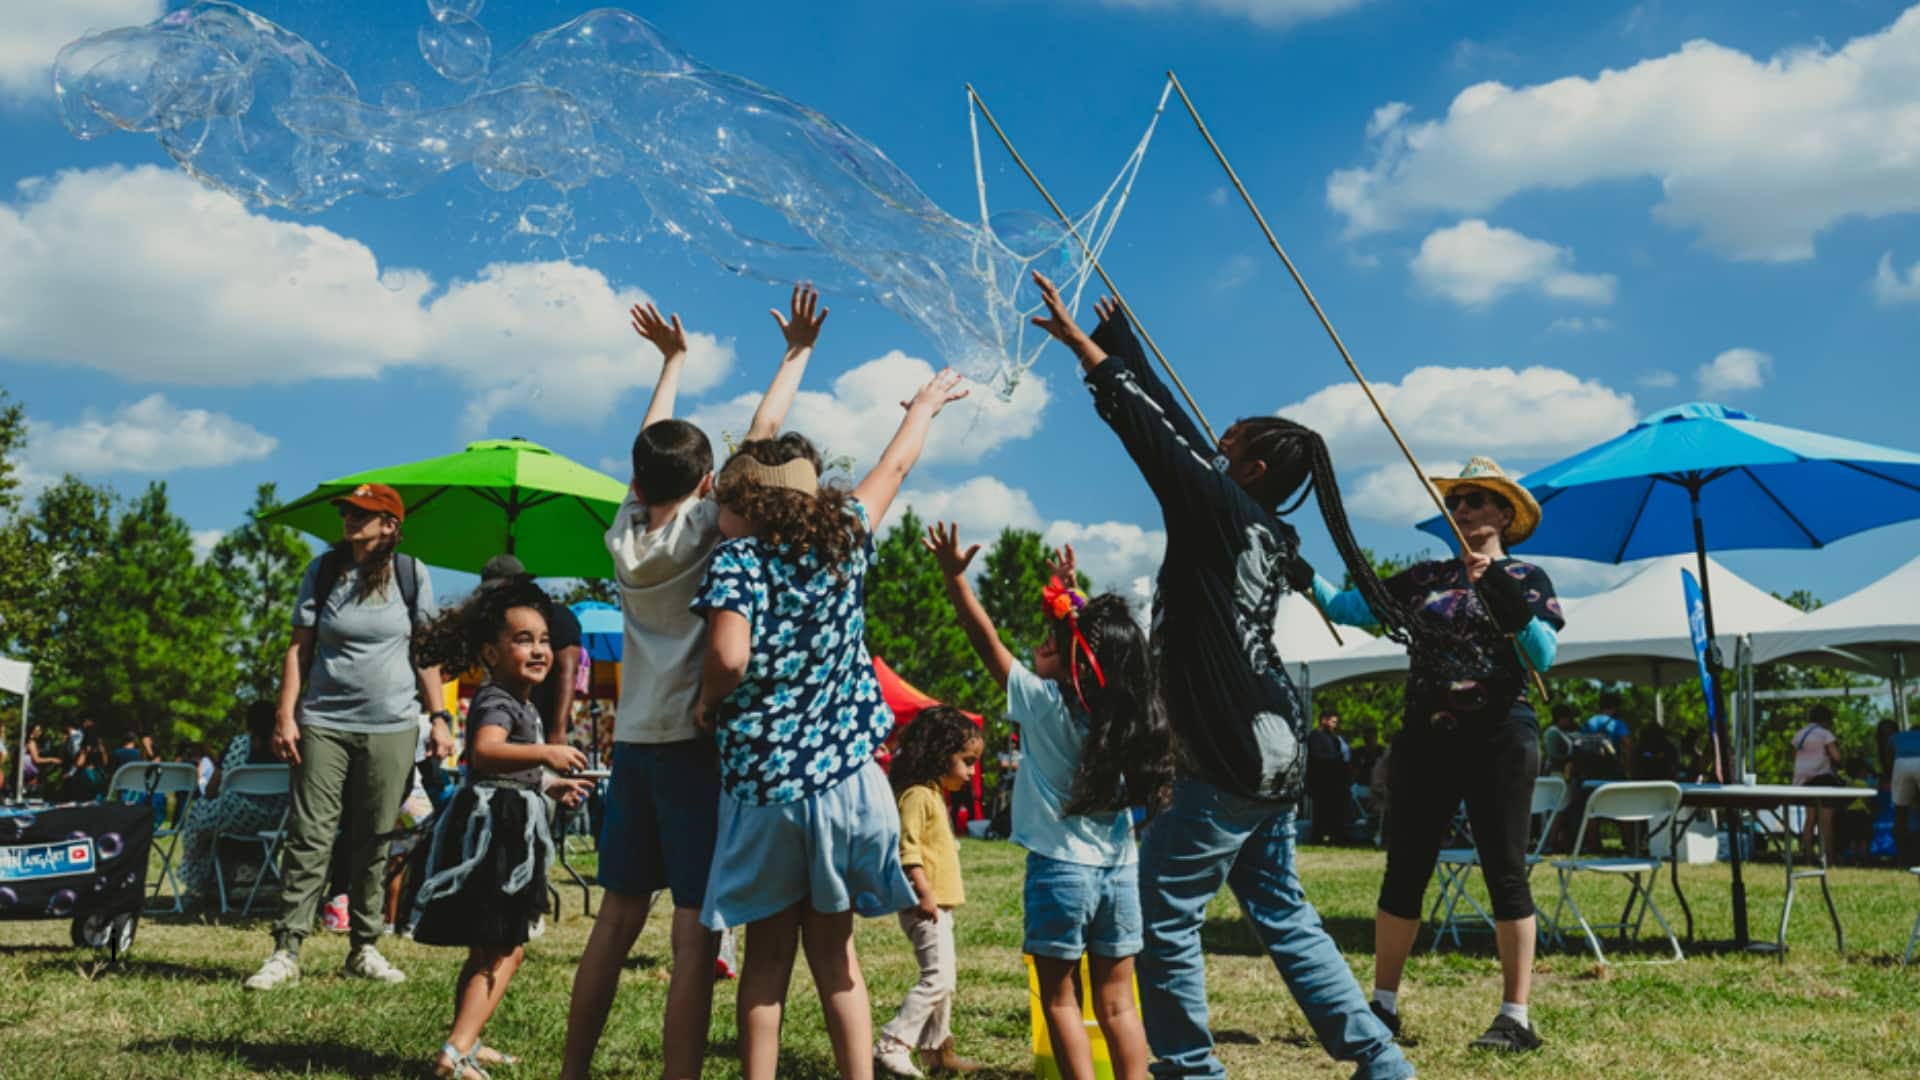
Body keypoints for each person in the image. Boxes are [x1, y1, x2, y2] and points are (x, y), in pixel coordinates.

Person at [1028, 275, 1413, 1080]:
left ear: (1257, 464)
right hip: (1275, 740)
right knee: (1281, 907)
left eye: (1230, 445)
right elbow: (1182, 434)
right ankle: (1379, 1059)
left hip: (1226, 745)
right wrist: (1126, 345)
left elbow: (1152, 435)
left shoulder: (1217, 507)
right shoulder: (1264, 525)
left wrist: (1087, 354)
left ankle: (1190, 1070)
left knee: (1163, 915)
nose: (1216, 448)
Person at [560, 286, 827, 1080]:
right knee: (692, 936)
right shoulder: (706, 532)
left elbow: (651, 446)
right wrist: (798, 352)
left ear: (638, 487)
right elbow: (763, 437)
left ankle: (572, 1070)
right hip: (691, 751)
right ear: (711, 485)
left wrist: (671, 363)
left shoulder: (624, 537)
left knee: (613, 921)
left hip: (635, 747)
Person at [691, 367, 966, 1080]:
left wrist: (708, 700)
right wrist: (925, 406)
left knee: (766, 964)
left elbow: (727, 653)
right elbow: (896, 464)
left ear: (747, 506)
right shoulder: (844, 536)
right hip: (851, 786)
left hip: (769, 788)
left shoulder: (738, 560)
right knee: (838, 959)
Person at [1312, 457, 1563, 1053]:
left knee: (1505, 871)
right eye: (1457, 500)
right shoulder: (1425, 578)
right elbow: (1349, 608)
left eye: (1476, 500)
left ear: (1505, 514)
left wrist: (1496, 585)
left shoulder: (1528, 577)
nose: (1463, 509)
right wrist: (1298, 571)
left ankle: (1516, 1016)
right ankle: (1383, 1004)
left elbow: (1543, 655)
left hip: (1501, 736)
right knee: (1404, 868)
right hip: (1426, 736)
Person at [926, 524, 1165, 1080]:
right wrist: (1069, 592)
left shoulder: (1041, 704)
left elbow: (981, 636)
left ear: (1075, 661)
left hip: (1061, 871)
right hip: (1119, 870)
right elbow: (1096, 647)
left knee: (1061, 1000)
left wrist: (956, 579)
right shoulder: (1127, 718)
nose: (1042, 643)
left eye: (1053, 640)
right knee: (1119, 1004)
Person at [245, 482, 453, 992]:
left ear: (390, 526)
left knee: (376, 836)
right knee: (310, 834)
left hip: (393, 725)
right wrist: (285, 715)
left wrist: (440, 717)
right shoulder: (323, 572)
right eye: (347, 512)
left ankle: (364, 947)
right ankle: (286, 949)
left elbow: (424, 651)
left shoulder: (409, 573)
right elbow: (298, 649)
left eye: (364, 513)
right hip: (323, 723)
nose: (350, 519)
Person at [405, 578, 591, 1079]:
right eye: (523, 639)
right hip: (498, 833)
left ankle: (470, 1038)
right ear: (491, 651)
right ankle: (456, 1050)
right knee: (506, 950)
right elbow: (485, 753)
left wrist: (546, 784)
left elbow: (504, 765)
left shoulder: (519, 700)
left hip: (507, 823)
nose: (538, 649)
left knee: (490, 947)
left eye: (544, 640)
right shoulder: (497, 700)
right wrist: (546, 753)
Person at [874, 705, 986, 1078]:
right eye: (966, 761)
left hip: (939, 905)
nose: (972, 772)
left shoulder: (934, 794)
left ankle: (937, 1051)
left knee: (946, 982)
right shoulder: (918, 796)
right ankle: (893, 1043)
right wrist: (924, 894)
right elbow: (907, 849)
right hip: (926, 905)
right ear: (940, 754)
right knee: (937, 979)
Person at [178, 702, 288, 902]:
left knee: (197, 819)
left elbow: (211, 791)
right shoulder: (286, 748)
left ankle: (197, 884)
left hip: (237, 816)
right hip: (278, 819)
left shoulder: (237, 745)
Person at [476, 553, 583, 746]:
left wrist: (557, 731)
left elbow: (567, 672)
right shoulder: (498, 622)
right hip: (508, 722)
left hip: (548, 727)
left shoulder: (557, 616)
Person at [1792, 705, 1845, 860]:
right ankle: (1829, 856)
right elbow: (1837, 757)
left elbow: (1795, 757)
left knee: (1810, 820)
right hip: (1822, 779)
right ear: (1826, 720)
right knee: (1826, 820)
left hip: (1803, 781)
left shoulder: (1799, 734)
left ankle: (1807, 855)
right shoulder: (1825, 734)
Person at [1306, 711, 1351, 846]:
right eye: (1333, 722)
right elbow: (1316, 757)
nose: (1334, 726)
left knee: (1335, 811)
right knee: (1320, 811)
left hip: (1335, 781)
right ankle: (1317, 838)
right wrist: (1336, 758)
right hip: (1321, 781)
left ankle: (1336, 837)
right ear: (1323, 720)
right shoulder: (1315, 736)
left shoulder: (1333, 738)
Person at [1888, 722, 1920, 868]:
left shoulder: (1898, 737)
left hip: (1900, 763)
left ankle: (1902, 858)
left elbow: (1888, 756)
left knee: (1900, 813)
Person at [1583, 693, 1632, 762]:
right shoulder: (1618, 724)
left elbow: (1581, 741)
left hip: (1590, 764)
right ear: (1614, 708)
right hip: (1611, 764)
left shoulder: (1589, 722)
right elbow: (1627, 745)